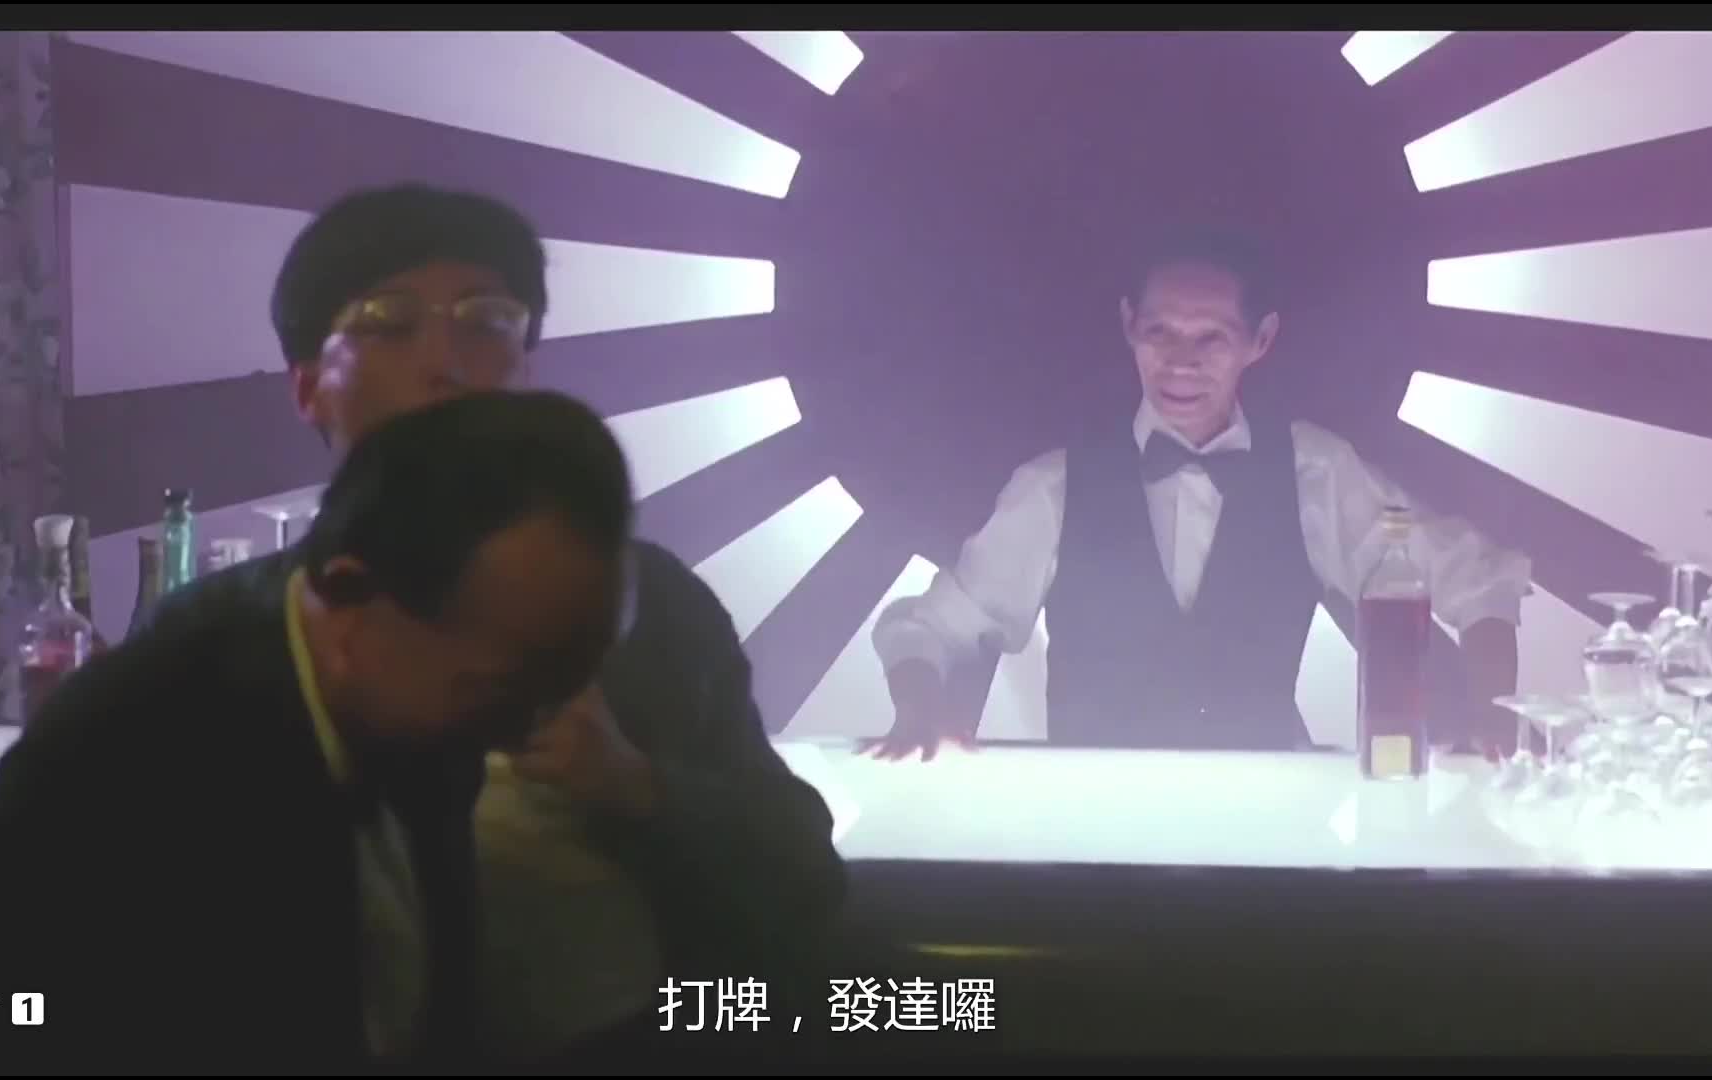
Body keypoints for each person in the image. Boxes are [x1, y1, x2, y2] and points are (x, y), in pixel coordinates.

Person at [160, 184, 844, 1063]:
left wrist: (635, 785)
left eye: (487, 323)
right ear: (308, 388)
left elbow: (803, 879)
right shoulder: (209, 642)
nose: (446, 365)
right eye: (388, 323)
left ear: (525, 371)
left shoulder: (652, 606)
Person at [0, 391, 637, 1071]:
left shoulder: (425, 721)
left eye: (557, 684)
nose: (522, 732)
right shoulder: (122, 754)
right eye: (498, 692)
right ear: (349, 598)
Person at [867, 225, 1531, 758]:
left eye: (1211, 338)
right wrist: (921, 711)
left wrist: (1493, 719)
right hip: (1087, 829)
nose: (1181, 361)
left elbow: (1475, 577)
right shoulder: (1053, 486)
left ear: (1260, 341)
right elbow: (928, 630)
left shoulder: (1317, 470)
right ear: (1129, 325)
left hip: (1271, 833)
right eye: (1160, 332)